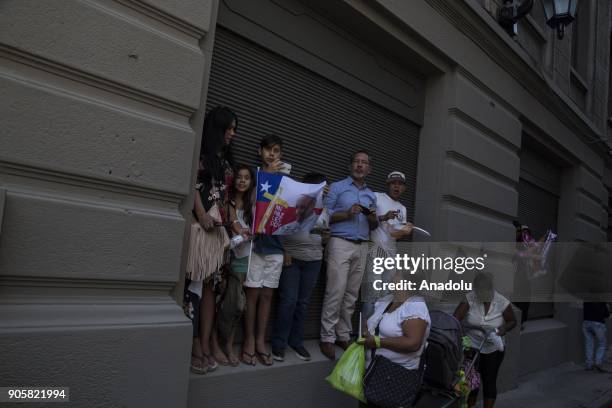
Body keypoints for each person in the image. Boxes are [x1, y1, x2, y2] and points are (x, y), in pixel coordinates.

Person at [184, 106, 237, 374]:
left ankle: (205, 345)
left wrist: (232, 224)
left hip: (218, 236)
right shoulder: (200, 154)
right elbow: (192, 184)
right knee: (193, 290)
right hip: (199, 232)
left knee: (211, 292)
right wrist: (202, 214)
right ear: (216, 128)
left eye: (234, 129)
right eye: (228, 128)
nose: (232, 134)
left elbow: (227, 199)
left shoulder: (226, 160)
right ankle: (194, 346)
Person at [320, 150, 378, 360]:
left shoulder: (371, 195)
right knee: (335, 291)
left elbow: (374, 224)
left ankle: (342, 335)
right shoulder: (337, 187)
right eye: (356, 162)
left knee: (351, 295)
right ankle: (326, 337)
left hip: (362, 245)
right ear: (350, 165)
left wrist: (372, 218)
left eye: (364, 162)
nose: (360, 165)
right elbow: (324, 217)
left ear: (369, 169)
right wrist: (347, 213)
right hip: (340, 243)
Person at [271, 173, 327, 362]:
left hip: (314, 259)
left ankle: (296, 342)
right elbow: (280, 227)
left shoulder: (323, 208)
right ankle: (279, 344)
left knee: (303, 304)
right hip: (292, 257)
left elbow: (325, 233)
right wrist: (284, 250)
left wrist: (325, 235)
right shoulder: (294, 202)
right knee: (288, 300)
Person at [241, 135, 286, 366]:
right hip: (256, 244)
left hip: (276, 246)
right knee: (253, 294)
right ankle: (248, 341)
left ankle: (260, 341)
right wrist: (267, 172)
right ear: (260, 151)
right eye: (268, 150)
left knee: (268, 296)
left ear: (281, 155)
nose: (272, 154)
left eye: (276, 151)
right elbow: (251, 202)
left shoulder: (287, 181)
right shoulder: (255, 175)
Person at [358, 271, 430, 407]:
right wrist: (365, 330)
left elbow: (413, 343)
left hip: (394, 378)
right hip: (372, 374)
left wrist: (376, 341)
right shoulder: (387, 299)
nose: (392, 277)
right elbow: (373, 322)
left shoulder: (415, 306)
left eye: (398, 274)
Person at [454, 272, 517, 408]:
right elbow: (455, 320)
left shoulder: (501, 301)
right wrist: (465, 343)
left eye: (484, 292)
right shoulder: (469, 298)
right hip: (472, 348)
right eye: (478, 292)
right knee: (472, 383)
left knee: (489, 381)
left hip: (493, 348)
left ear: (491, 289)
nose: (481, 296)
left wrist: (504, 328)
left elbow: (512, 321)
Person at [217, 164, 254, 367]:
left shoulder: (252, 206)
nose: (242, 181)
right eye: (239, 177)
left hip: (242, 260)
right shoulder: (226, 202)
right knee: (221, 303)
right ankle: (217, 341)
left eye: (246, 178)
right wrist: (241, 234)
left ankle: (229, 344)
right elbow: (231, 226)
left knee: (236, 305)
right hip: (222, 258)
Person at [583, 301, 610, 372]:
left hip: (586, 322)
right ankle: (598, 363)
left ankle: (589, 364)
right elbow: (606, 314)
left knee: (589, 343)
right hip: (597, 323)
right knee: (602, 344)